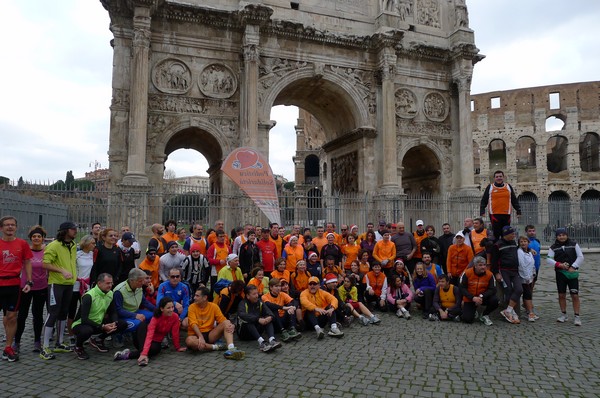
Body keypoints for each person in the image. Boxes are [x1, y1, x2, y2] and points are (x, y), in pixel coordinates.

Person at [41, 221, 78, 360]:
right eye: (73, 229)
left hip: (69, 283)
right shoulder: (54, 245)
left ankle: (59, 343)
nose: (75, 231)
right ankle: (45, 347)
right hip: (56, 284)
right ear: (65, 231)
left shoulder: (73, 245)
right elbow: (45, 264)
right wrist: (61, 270)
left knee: (64, 312)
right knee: (53, 313)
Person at [71, 273, 127, 360]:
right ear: (99, 283)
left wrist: (114, 322)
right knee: (87, 331)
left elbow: (113, 312)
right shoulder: (89, 296)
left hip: (99, 323)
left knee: (122, 324)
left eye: (111, 283)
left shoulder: (110, 293)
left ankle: (98, 340)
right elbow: (84, 319)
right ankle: (78, 346)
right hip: (82, 324)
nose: (110, 285)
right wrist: (102, 326)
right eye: (107, 283)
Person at [0, 216, 33, 362]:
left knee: (12, 317)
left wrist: (30, 281)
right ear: (1, 228)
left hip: (14, 285)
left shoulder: (22, 244)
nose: (10, 227)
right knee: (6, 318)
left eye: (12, 225)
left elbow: (27, 262)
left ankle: (8, 347)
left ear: (16, 227)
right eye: (6, 225)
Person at [183, 287, 245, 360]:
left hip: (210, 334)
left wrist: (232, 325)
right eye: (195, 295)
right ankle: (215, 347)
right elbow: (193, 324)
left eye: (197, 296)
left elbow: (222, 320)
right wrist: (200, 337)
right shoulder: (192, 307)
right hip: (195, 335)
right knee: (189, 341)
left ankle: (231, 349)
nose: (194, 298)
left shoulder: (213, 306)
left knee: (226, 323)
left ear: (205, 298)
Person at [14, 226, 47, 354]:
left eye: (39, 236)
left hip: (41, 287)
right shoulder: (25, 250)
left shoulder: (46, 251)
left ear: (43, 238)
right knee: (22, 315)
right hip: (25, 287)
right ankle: (17, 341)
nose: (36, 238)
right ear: (30, 239)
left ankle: (37, 341)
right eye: (34, 236)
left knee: (38, 315)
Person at [129, 297, 186, 366]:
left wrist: (178, 347)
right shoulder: (156, 318)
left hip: (156, 342)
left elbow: (175, 333)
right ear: (162, 309)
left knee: (155, 350)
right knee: (142, 324)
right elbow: (149, 335)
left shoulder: (175, 317)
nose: (171, 310)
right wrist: (144, 353)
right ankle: (143, 356)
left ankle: (128, 355)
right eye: (168, 308)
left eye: (172, 307)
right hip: (143, 338)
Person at [547, 228, 584, 326]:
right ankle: (563, 314)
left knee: (575, 295)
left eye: (563, 235)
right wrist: (559, 264)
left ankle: (577, 316)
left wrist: (573, 266)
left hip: (572, 273)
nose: (562, 237)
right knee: (561, 295)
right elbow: (548, 259)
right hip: (560, 273)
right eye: (559, 235)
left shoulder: (574, 244)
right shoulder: (553, 247)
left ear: (567, 235)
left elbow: (580, 257)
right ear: (557, 236)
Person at [67, 235, 95, 347]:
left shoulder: (92, 255)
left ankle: (83, 332)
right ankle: (70, 334)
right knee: (72, 310)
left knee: (85, 310)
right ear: (86, 243)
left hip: (86, 286)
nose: (94, 245)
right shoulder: (77, 255)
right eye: (92, 243)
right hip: (76, 285)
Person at [237, 284, 282, 353]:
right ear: (247, 296)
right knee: (248, 320)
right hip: (244, 333)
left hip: (257, 330)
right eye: (254, 294)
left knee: (268, 319)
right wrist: (258, 319)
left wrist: (269, 317)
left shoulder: (260, 302)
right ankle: (262, 343)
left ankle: (272, 340)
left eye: (257, 293)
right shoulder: (242, 303)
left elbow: (269, 313)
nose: (256, 296)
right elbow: (242, 315)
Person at [491, 226, 523, 324]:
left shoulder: (514, 243)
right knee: (508, 290)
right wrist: (496, 273)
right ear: (506, 234)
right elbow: (494, 261)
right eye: (512, 234)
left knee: (519, 289)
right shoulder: (497, 245)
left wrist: (529, 250)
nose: (514, 235)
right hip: (503, 271)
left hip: (514, 271)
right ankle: (511, 312)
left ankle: (508, 310)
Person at [479, 170, 522, 241]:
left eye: (500, 176)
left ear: (503, 177)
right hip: (494, 214)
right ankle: (496, 249)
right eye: (497, 177)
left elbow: (514, 200)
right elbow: (484, 200)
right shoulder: (490, 187)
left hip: (506, 214)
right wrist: (482, 211)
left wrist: (518, 211)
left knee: (506, 234)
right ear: (494, 178)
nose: (499, 178)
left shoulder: (508, 187)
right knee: (496, 234)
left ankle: (505, 249)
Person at [113, 268, 156, 333]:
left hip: (135, 311)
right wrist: (135, 315)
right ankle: (119, 336)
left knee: (154, 316)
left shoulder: (139, 287)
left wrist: (157, 310)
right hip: (124, 315)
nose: (142, 283)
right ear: (132, 280)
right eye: (140, 281)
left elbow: (144, 302)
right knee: (138, 323)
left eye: (142, 280)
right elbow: (118, 310)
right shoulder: (119, 291)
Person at [460, 257, 499, 325]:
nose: (483, 267)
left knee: (495, 300)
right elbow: (462, 288)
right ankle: (473, 311)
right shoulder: (467, 273)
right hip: (470, 298)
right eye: (480, 265)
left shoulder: (490, 274)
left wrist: (481, 296)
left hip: (483, 297)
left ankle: (484, 315)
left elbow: (492, 289)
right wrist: (473, 298)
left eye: (484, 265)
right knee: (467, 319)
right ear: (475, 266)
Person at [517, 236, 537, 322]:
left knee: (527, 294)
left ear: (528, 243)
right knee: (528, 294)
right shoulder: (519, 252)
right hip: (523, 277)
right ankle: (530, 313)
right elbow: (521, 265)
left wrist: (533, 274)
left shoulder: (529, 252)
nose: (523, 243)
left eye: (525, 241)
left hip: (529, 277)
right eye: (521, 241)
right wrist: (526, 277)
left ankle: (528, 311)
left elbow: (532, 264)